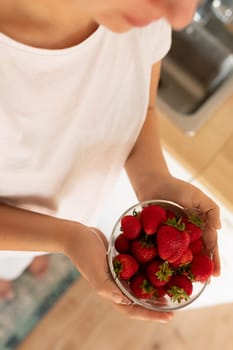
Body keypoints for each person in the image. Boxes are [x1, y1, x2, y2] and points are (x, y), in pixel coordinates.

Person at [0, 0, 221, 322]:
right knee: (9, 260)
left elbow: (139, 111)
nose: (181, 17)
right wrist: (64, 237)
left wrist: (153, 179)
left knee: (34, 249)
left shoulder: (143, 20)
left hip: (70, 212)